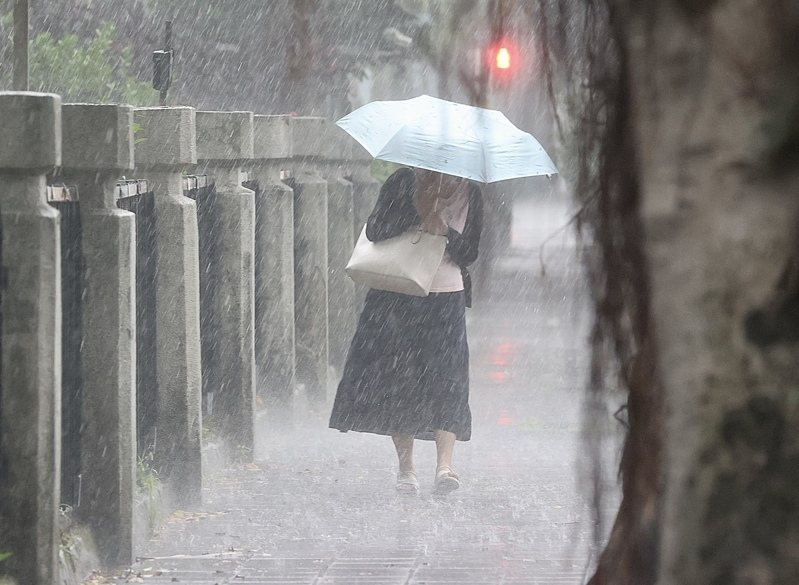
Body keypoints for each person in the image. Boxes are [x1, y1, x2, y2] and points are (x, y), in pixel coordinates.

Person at [328, 166, 484, 494]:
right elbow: (375, 229)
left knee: (448, 381)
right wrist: (416, 217)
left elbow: (470, 252)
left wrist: (445, 231)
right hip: (396, 297)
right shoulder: (402, 181)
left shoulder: (472, 193)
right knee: (400, 381)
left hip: (446, 298)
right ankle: (406, 468)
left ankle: (445, 466)